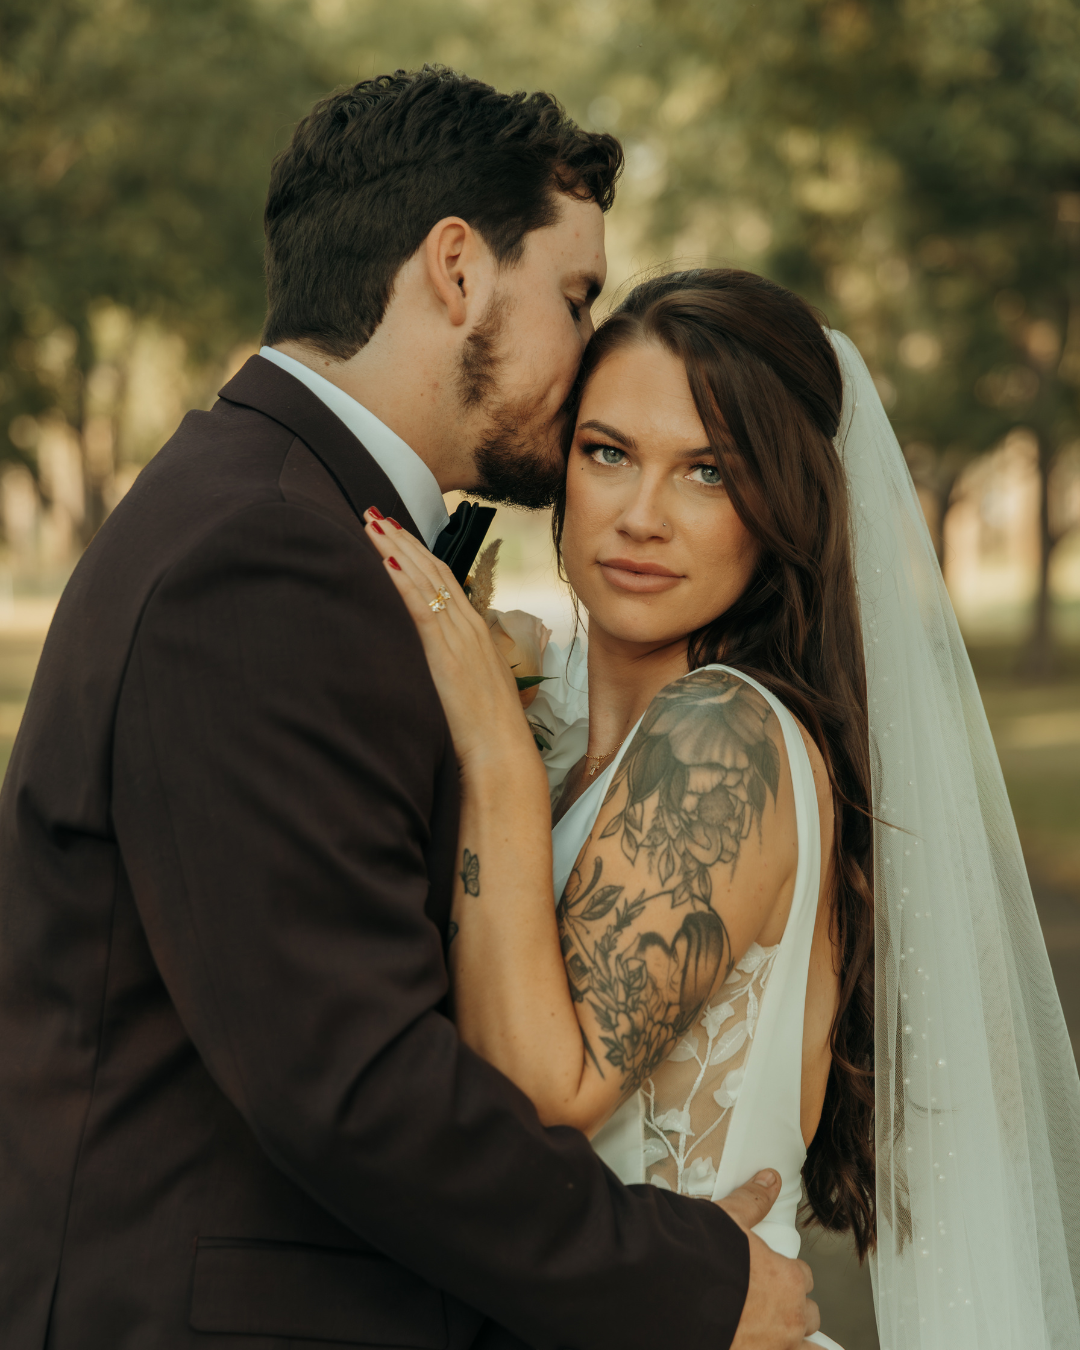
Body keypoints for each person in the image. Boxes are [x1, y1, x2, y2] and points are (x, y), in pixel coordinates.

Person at [0, 72, 818, 1350]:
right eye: (576, 296)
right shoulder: (264, 557)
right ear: (456, 271)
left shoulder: (278, 511)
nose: (585, 344)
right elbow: (352, 1081)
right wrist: (689, 1284)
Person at [365, 267, 1080, 1350]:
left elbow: (544, 1098)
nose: (641, 517)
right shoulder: (567, 712)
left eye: (708, 472)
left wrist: (492, 756)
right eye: (608, 454)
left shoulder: (723, 738)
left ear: (778, 504)